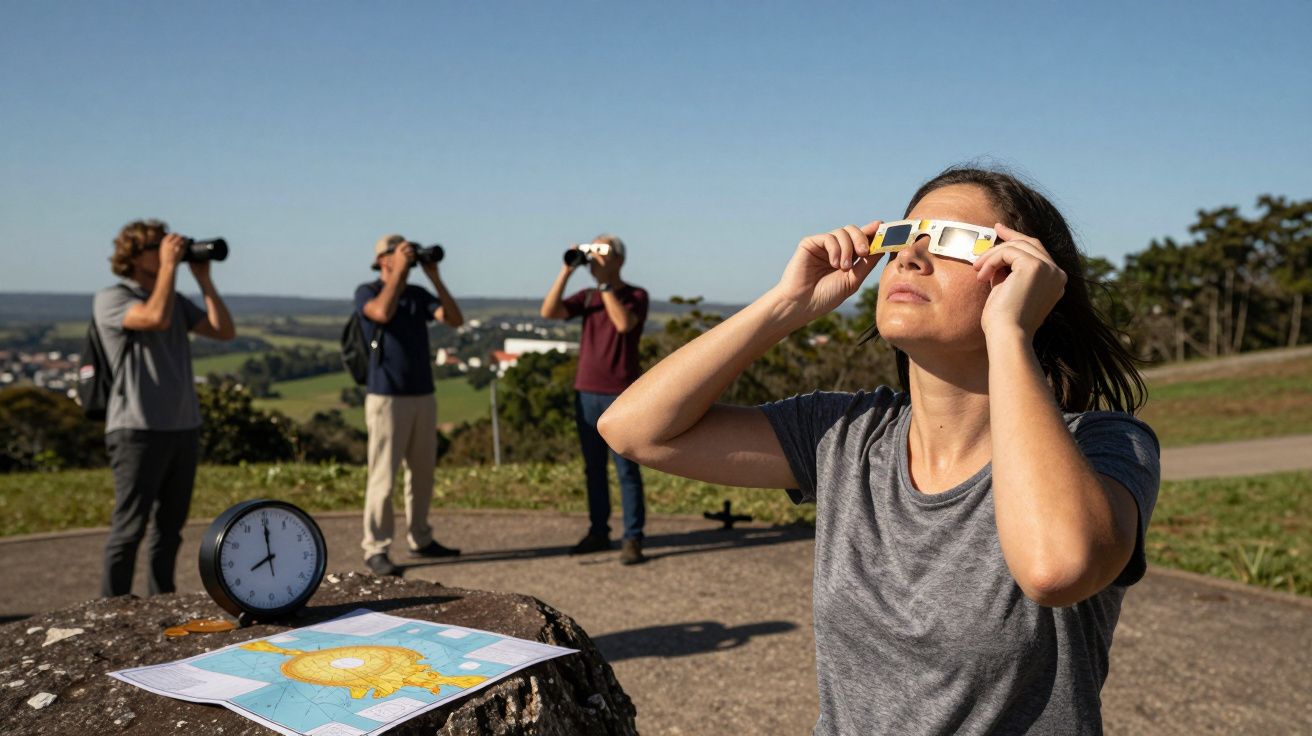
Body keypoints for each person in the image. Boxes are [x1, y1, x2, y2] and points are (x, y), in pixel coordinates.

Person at [598, 167, 1160, 733]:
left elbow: (1055, 568)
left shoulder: (1101, 444)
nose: (911, 258)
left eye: (955, 242)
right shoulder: (848, 434)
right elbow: (634, 430)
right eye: (902, 238)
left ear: (1025, 275)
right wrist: (786, 304)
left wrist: (1011, 333)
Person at [95, 219, 236, 597]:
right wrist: (171, 268)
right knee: (129, 529)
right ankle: (112, 610)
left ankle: (162, 600)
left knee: (170, 530)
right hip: (137, 428)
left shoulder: (173, 297)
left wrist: (204, 279)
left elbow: (224, 331)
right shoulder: (113, 298)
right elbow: (153, 318)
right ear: (134, 256)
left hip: (182, 426)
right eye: (156, 245)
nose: (165, 249)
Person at [356, 235, 465, 576]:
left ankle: (420, 537)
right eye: (397, 251)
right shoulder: (368, 291)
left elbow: (454, 318)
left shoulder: (418, 295)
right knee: (383, 476)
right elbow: (381, 313)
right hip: (386, 396)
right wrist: (398, 275)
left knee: (422, 474)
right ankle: (376, 547)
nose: (406, 255)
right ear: (383, 259)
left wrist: (433, 276)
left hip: (422, 393)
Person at [540, 234, 651, 565]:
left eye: (602, 252)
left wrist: (605, 287)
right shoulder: (586, 296)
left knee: (626, 469)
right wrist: (566, 270)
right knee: (594, 469)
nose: (596, 259)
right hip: (586, 392)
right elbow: (549, 311)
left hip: (622, 393)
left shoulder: (634, 295)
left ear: (618, 259)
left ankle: (633, 538)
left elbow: (623, 324)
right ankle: (599, 531)